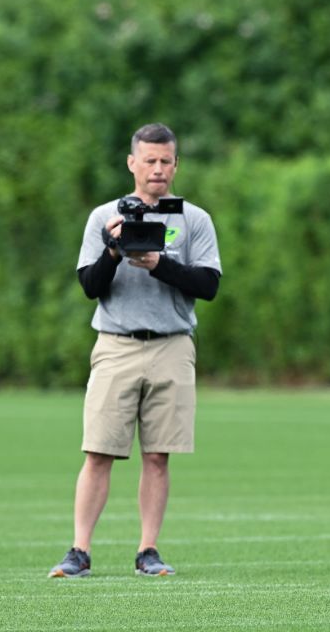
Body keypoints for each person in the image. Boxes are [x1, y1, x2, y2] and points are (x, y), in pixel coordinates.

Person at [48, 123, 222, 578]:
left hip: (172, 344)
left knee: (159, 454)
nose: (158, 169)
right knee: (99, 451)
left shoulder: (193, 220)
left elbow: (208, 285)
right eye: (150, 160)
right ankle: (79, 550)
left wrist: (159, 263)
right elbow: (89, 286)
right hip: (117, 344)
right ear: (132, 163)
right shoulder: (104, 215)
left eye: (166, 161)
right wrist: (112, 248)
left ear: (176, 164)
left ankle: (148, 549)